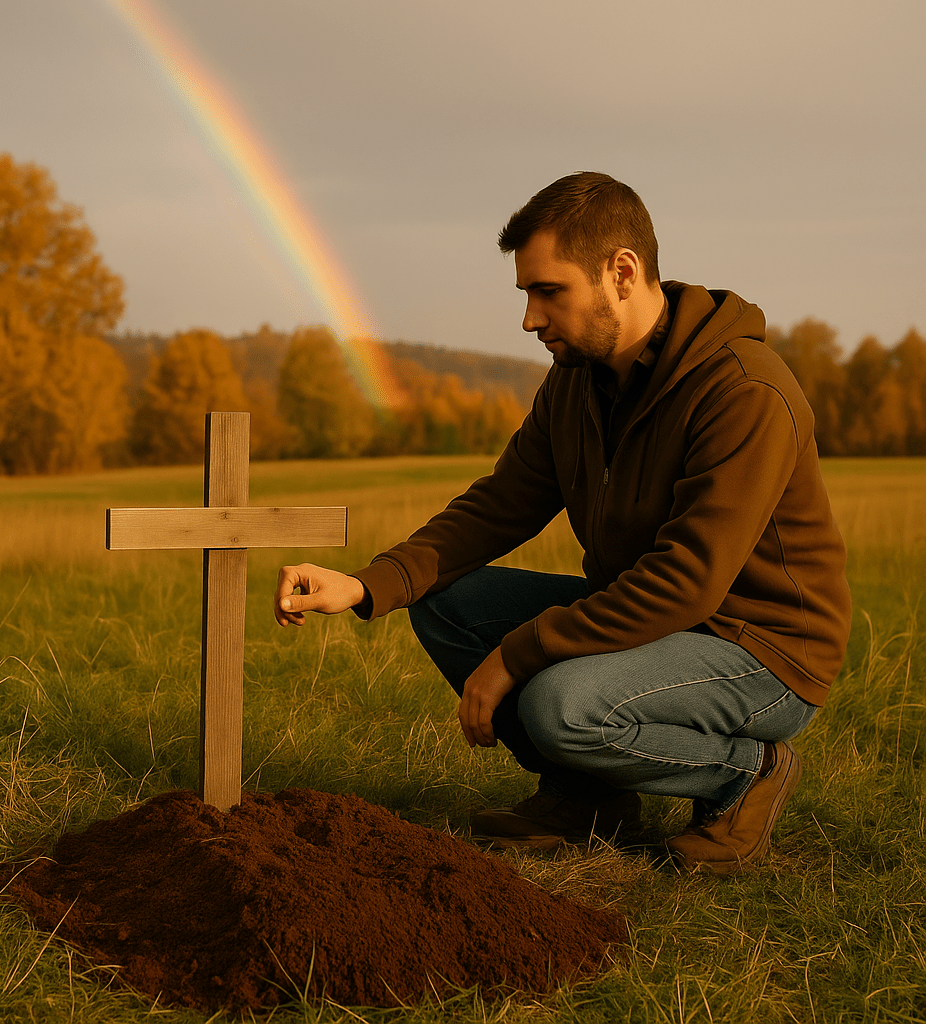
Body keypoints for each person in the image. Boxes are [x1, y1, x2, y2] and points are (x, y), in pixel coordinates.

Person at [273, 172, 851, 876]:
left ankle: (744, 773)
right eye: (526, 294)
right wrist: (367, 586)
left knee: (560, 706)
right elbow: (500, 503)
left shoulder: (743, 390)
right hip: (658, 626)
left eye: (549, 292)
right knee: (448, 604)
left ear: (622, 272)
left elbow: (688, 582)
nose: (529, 319)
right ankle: (589, 796)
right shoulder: (578, 381)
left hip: (758, 648)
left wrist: (519, 655)